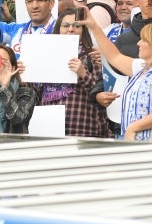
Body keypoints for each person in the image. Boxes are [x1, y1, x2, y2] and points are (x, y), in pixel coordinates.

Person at [86, 17, 152, 141]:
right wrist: (94, 26)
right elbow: (114, 57)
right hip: (136, 140)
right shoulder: (142, 67)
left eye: (143, 40)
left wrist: (133, 127)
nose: (138, 43)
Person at [35, 9, 108, 138]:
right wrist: (25, 75)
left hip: (82, 128)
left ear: (83, 30)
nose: (71, 29)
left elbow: (101, 94)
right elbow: (37, 95)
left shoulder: (93, 56)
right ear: (58, 29)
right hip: (49, 128)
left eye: (76, 26)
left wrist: (83, 73)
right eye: (66, 26)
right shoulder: (45, 55)